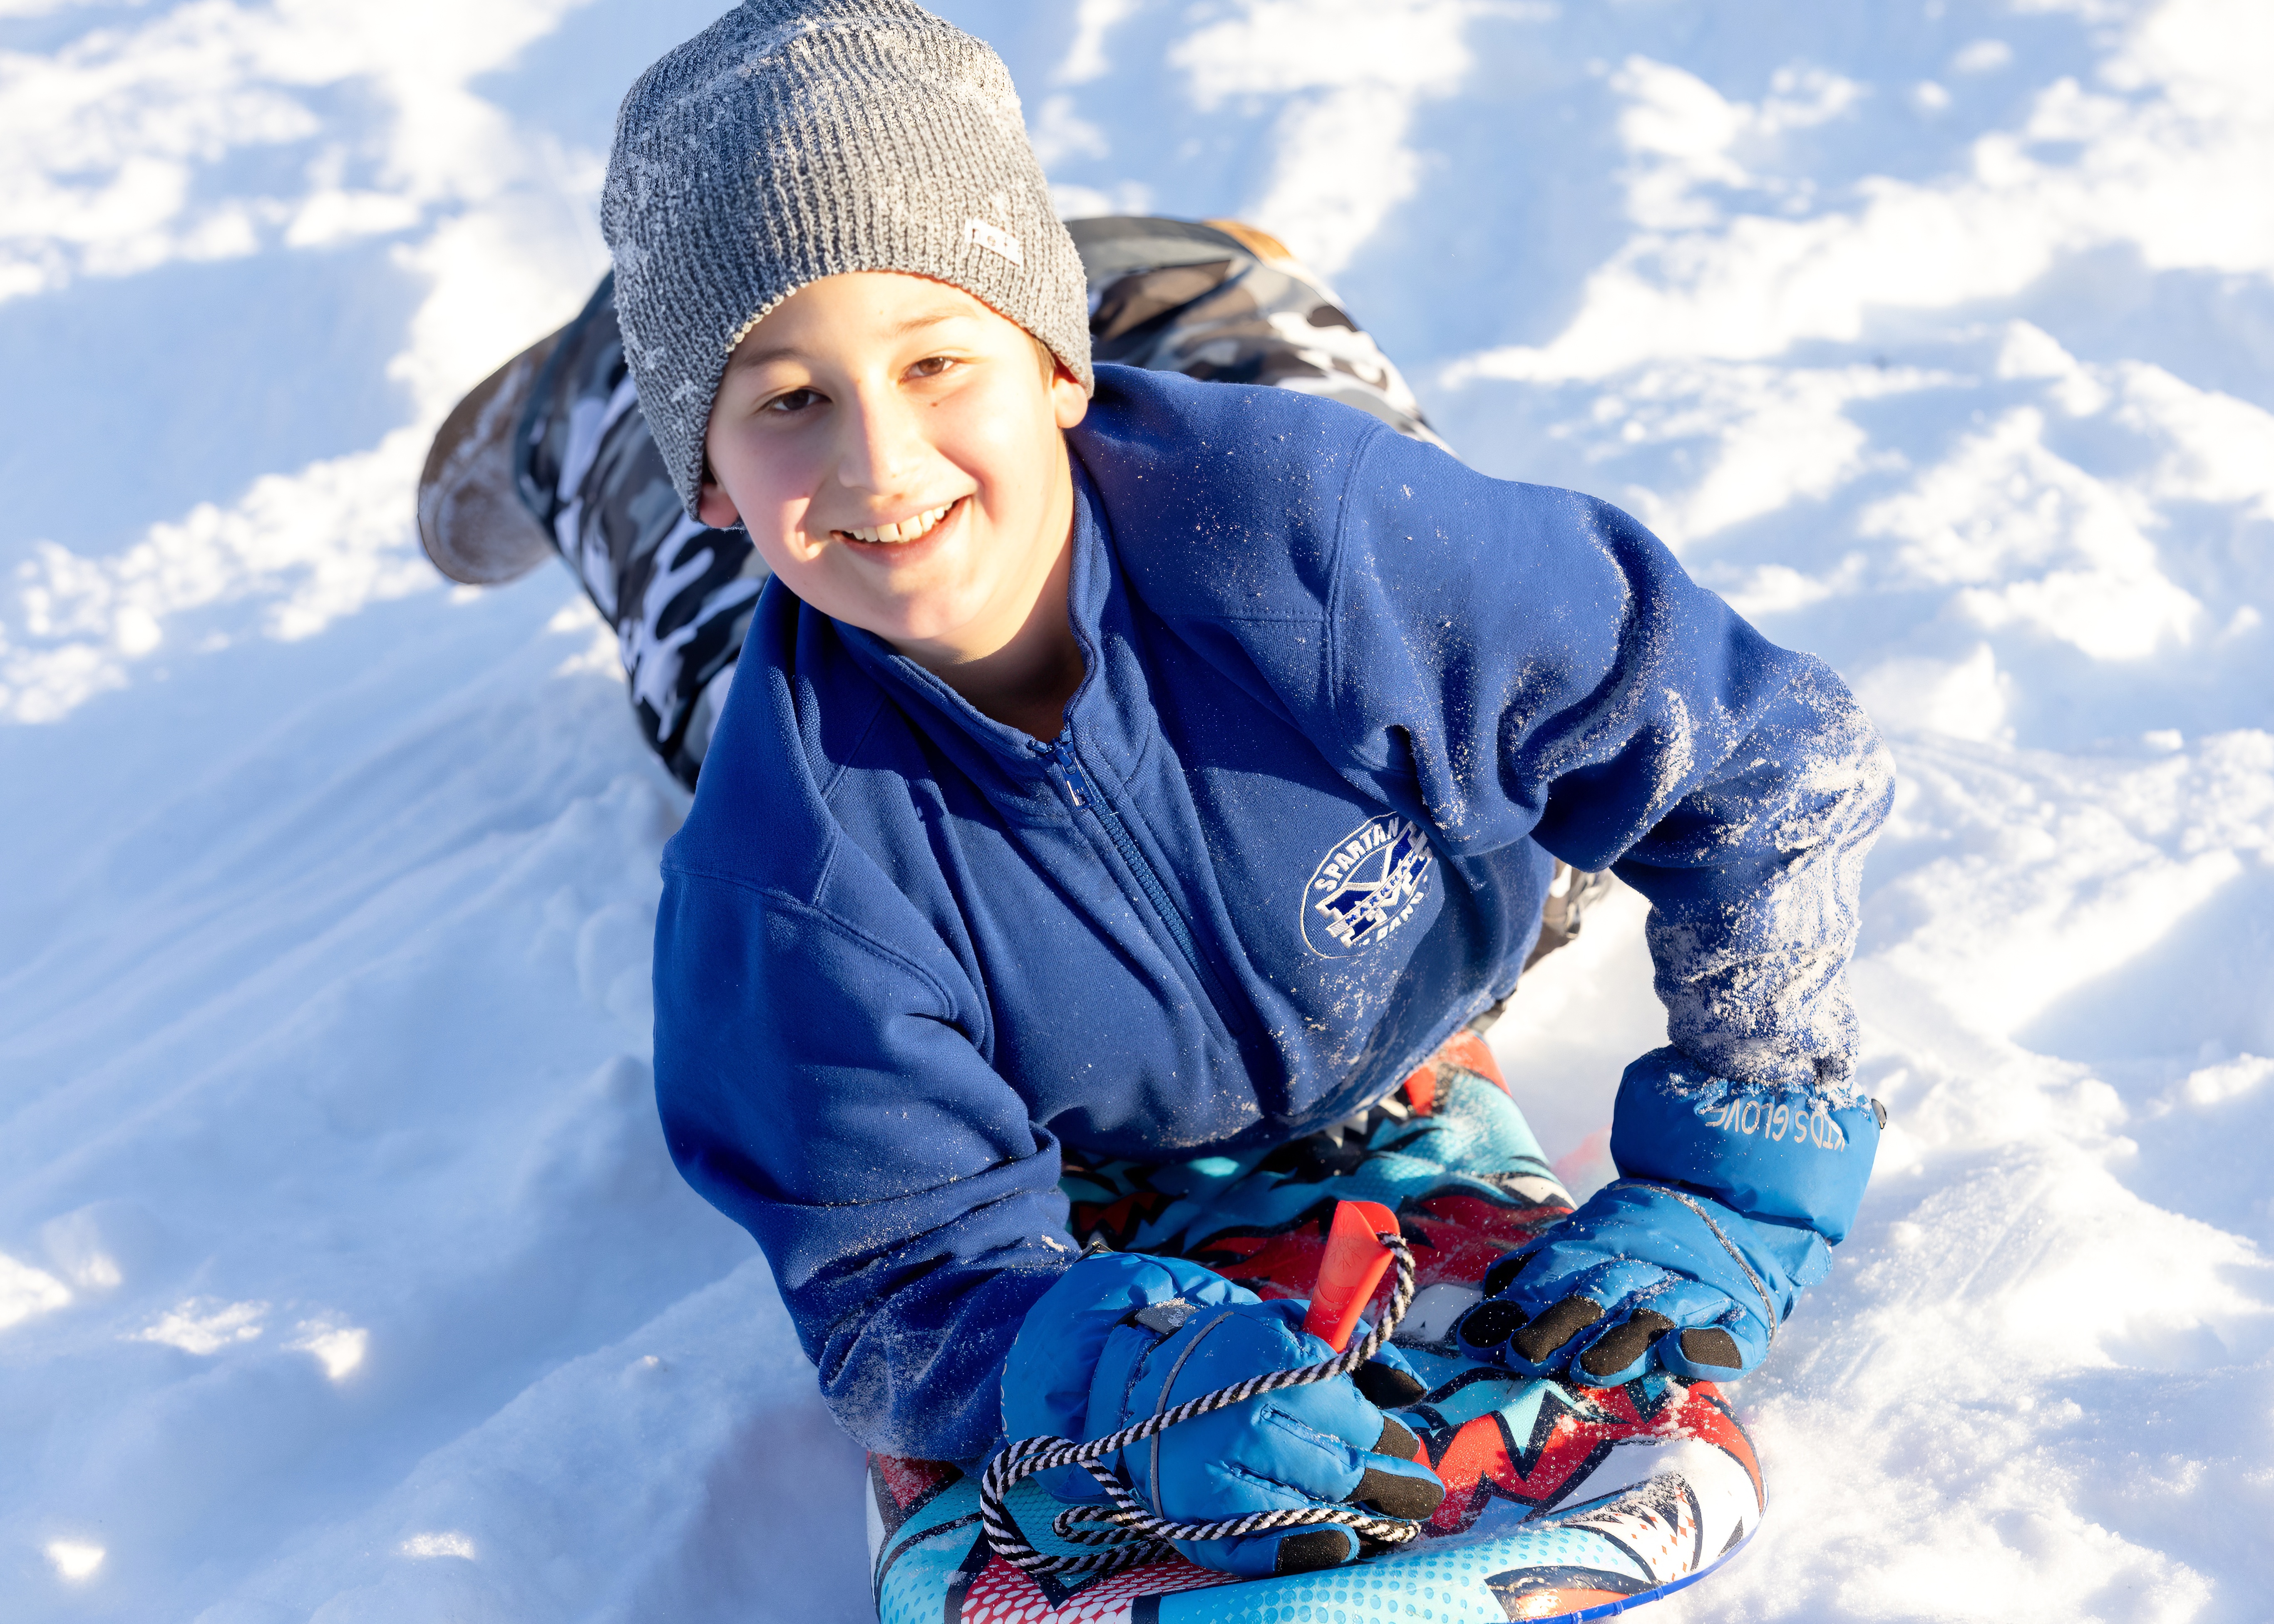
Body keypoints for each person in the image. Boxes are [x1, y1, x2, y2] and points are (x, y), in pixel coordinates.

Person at [437, 0, 1895, 1582]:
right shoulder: (794, 888)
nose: (874, 459)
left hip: (1405, 782)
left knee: (1302, 406)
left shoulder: (1328, 547)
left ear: (1053, 363)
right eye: (788, 401)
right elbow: (890, 1270)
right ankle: (590, 399)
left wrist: (1749, 1162)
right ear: (714, 459)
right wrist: (1100, 1365)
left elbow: (1753, 758)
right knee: (705, 650)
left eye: (937, 359)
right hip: (868, 729)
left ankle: (1187, 269)